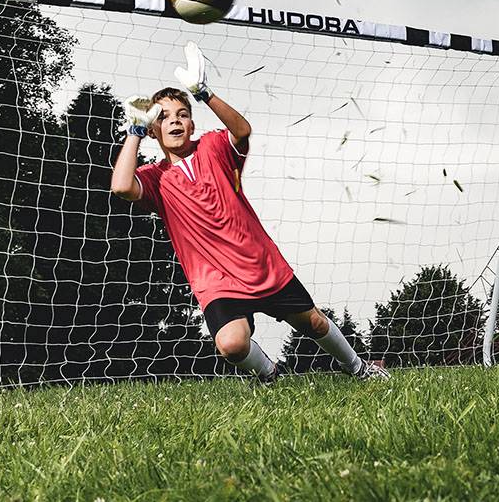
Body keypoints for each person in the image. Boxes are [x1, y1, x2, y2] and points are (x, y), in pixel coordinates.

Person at [111, 41, 389, 382]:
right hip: (216, 280)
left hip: (260, 263)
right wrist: (134, 133)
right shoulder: (155, 178)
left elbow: (241, 131)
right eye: (164, 116)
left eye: (182, 114)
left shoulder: (213, 147)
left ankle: (359, 369)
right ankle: (271, 374)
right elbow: (122, 187)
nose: (175, 121)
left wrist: (203, 93)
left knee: (313, 322)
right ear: (154, 129)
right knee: (230, 344)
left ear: (193, 125)